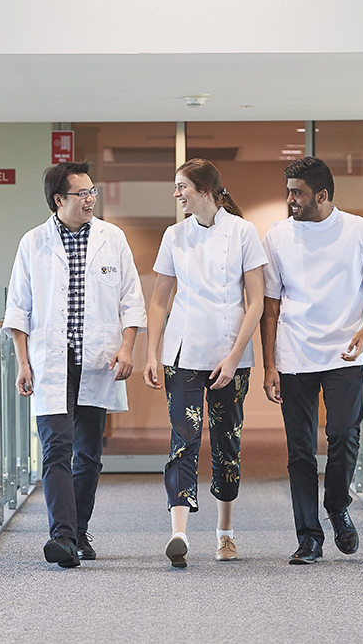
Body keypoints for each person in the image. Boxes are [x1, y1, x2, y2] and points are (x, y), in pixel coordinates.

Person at [3, 161, 146, 568]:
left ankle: (79, 531)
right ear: (58, 200)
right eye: (81, 193)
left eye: (91, 191)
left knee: (88, 454)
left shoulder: (112, 238)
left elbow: (130, 301)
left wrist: (127, 348)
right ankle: (62, 537)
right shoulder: (33, 242)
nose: (89, 199)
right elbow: (19, 308)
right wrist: (23, 363)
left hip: (97, 361)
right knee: (55, 449)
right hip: (51, 363)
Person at [261, 157, 363, 564]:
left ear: (322, 195)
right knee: (300, 450)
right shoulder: (278, 236)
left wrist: (362, 333)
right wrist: (270, 365)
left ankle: (337, 504)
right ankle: (309, 538)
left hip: (345, 353)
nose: (290, 200)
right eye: (288, 191)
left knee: (343, 434)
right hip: (294, 354)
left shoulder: (359, 230)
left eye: (297, 193)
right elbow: (270, 307)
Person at [143, 159, 266, 568]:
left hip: (231, 355)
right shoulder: (174, 235)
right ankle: (178, 533)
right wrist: (152, 353)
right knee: (184, 440)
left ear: (206, 190)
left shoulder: (243, 231)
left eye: (182, 187)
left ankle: (225, 535)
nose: (177, 194)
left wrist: (233, 358)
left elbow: (257, 302)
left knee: (227, 443)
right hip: (182, 353)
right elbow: (160, 299)